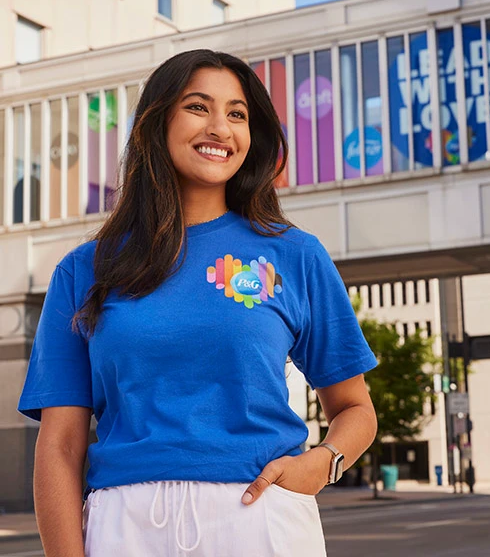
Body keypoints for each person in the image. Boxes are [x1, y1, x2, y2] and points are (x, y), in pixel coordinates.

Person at [18, 49, 378, 557]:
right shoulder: (84, 270)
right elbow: (60, 446)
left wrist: (322, 464)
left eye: (237, 114)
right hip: (124, 527)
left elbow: (355, 408)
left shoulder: (294, 255)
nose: (220, 128)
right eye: (197, 107)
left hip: (259, 519)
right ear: (156, 121)